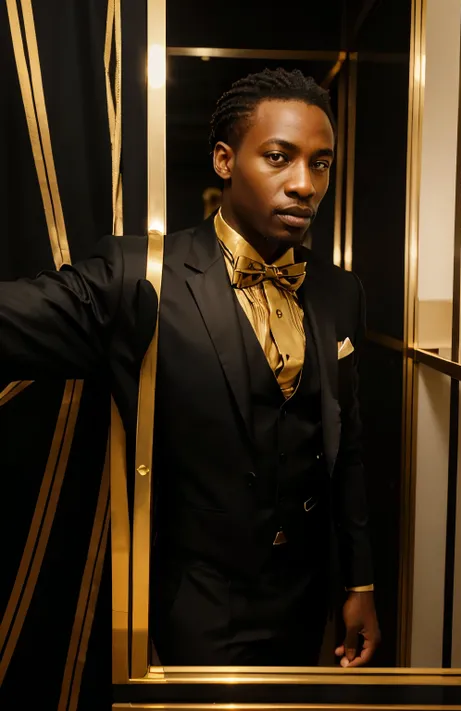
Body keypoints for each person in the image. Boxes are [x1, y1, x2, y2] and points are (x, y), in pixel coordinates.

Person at [0, 68, 380, 667]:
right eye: (279, 158)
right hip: (196, 598)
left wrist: (359, 583)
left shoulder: (340, 292)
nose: (305, 184)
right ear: (225, 161)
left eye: (321, 163)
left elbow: (347, 447)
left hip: (309, 599)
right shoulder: (142, 275)